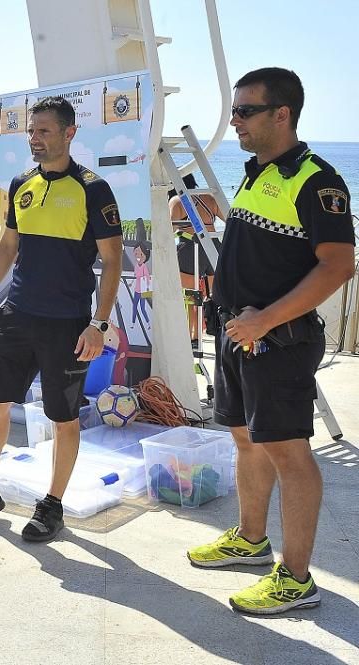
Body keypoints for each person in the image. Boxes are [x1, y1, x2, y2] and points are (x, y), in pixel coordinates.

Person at [186, 67, 355, 615]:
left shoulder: (317, 180)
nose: (234, 121)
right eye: (234, 110)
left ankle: (297, 579)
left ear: (281, 114)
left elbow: (338, 266)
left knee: (289, 451)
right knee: (246, 440)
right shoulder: (258, 170)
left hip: (277, 339)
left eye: (244, 111)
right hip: (238, 332)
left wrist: (266, 319)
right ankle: (250, 541)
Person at [0, 96, 123, 543]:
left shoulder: (93, 189)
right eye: (32, 132)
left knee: (63, 418)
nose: (35, 139)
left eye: (44, 131)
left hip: (67, 323)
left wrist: (97, 324)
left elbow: (112, 261)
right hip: (17, 315)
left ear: (69, 133)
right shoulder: (22, 184)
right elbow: (6, 248)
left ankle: (52, 505)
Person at [168, 173, 225, 346]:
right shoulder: (209, 197)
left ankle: (192, 337)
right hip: (213, 245)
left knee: (191, 296)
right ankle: (216, 328)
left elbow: (168, 230)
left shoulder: (177, 200)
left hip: (190, 247)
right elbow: (229, 218)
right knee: (211, 294)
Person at [130, 241, 150, 325]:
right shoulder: (136, 266)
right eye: (136, 253)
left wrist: (147, 287)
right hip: (137, 290)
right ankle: (133, 322)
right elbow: (136, 277)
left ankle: (148, 322)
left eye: (141, 254)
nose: (138, 256)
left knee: (142, 308)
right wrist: (131, 283)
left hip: (143, 290)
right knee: (134, 307)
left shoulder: (144, 267)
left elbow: (148, 278)